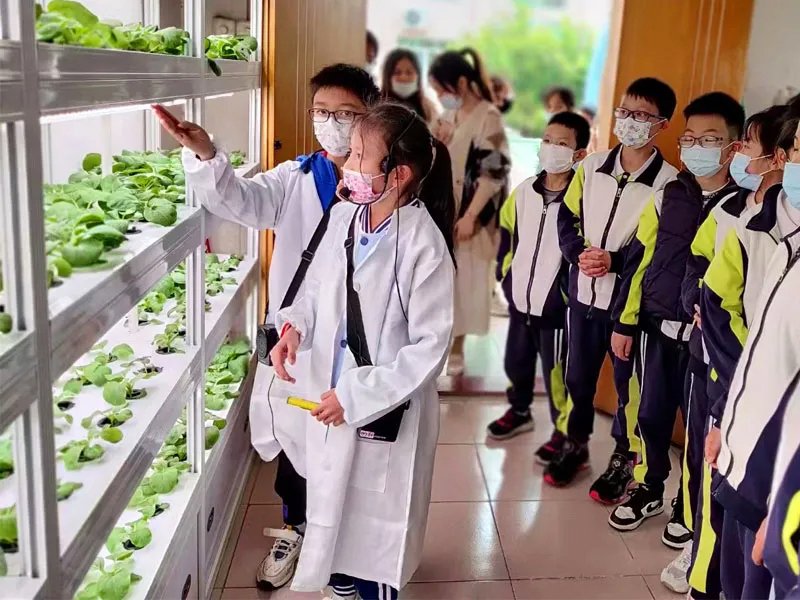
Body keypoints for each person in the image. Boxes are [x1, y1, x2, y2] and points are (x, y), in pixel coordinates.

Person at [152, 64, 380, 592]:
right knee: (297, 437)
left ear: (371, 116)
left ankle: (344, 541)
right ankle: (296, 529)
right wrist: (206, 154)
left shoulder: (386, 184)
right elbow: (238, 201)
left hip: (359, 343)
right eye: (324, 112)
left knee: (352, 443)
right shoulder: (295, 178)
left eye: (347, 114)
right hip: (295, 339)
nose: (334, 124)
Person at [269, 102, 455, 600]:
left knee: (372, 529)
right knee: (332, 517)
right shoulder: (345, 217)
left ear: (398, 174)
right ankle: (340, 583)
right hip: (330, 396)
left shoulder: (424, 246)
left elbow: (429, 350)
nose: (347, 165)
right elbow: (315, 289)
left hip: (379, 406)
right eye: (349, 153)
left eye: (358, 156)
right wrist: (294, 329)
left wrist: (356, 396)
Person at [607, 92, 744, 594]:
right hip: (655, 326)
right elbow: (640, 259)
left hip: (706, 343)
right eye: (690, 139)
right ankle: (648, 486)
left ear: (732, 147)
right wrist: (624, 322)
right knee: (650, 415)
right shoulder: (670, 192)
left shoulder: (742, 204)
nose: (697, 148)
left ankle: (688, 509)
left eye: (710, 140)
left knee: (697, 429)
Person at [545, 77, 679, 496]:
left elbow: (658, 251)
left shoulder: (670, 184)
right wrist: (578, 254)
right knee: (578, 380)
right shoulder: (590, 168)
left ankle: (624, 456)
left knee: (629, 390)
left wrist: (614, 261)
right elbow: (567, 219)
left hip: (629, 311)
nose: (630, 122)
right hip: (583, 298)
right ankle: (575, 443)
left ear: (662, 123)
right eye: (625, 112)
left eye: (641, 115)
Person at [676, 103, 789, 599]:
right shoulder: (734, 216)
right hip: (720, 375)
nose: (741, 153)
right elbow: (703, 282)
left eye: (752, 145)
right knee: (713, 485)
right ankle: (702, 569)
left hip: (757, 396)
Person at [703, 113, 800, 600]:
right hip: (744, 464)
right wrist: (725, 416)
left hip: (777, 498)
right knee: (731, 581)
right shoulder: (780, 240)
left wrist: (786, 510)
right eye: (796, 149)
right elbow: (763, 357)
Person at [486, 112, 590, 461]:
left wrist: (566, 295)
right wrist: (506, 276)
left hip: (555, 308)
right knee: (516, 361)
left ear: (579, 154)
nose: (551, 148)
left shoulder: (583, 199)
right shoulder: (524, 192)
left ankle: (563, 431)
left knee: (558, 374)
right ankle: (519, 410)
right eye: (547, 140)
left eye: (561, 143)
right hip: (520, 300)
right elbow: (507, 235)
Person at [428, 47, 511, 375]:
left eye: (442, 89)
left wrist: (471, 216)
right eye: (435, 91)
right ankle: (436, 343)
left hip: (471, 216)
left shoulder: (487, 116)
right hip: (442, 210)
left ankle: (458, 346)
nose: (439, 96)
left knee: (467, 283)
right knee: (439, 281)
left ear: (461, 82)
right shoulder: (445, 116)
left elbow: (494, 170)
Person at [380, 48, 438, 122]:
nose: (404, 77)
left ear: (418, 76)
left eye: (409, 72)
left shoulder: (428, 108)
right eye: (397, 72)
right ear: (387, 77)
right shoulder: (375, 108)